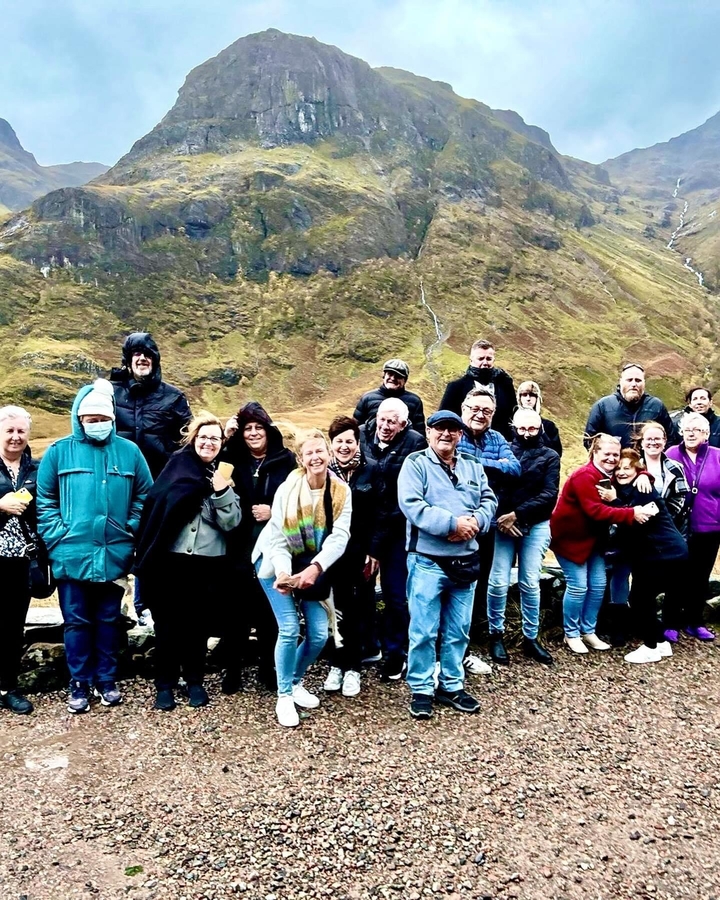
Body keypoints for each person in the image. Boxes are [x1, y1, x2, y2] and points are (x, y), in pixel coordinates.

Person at [37, 379, 152, 713]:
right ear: (79, 418)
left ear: (112, 419)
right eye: (90, 418)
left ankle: (106, 679)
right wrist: (58, 535)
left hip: (114, 553)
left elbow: (145, 494)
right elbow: (45, 499)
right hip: (71, 554)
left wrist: (129, 528)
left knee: (107, 619)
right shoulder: (59, 452)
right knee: (76, 621)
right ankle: (79, 682)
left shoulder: (129, 453)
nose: (97, 424)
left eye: (103, 419)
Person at [134, 412, 241, 710]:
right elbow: (157, 510)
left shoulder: (225, 476)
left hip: (208, 566)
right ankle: (164, 684)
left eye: (215, 439)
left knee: (198, 627)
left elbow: (232, 522)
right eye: (203, 437)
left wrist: (221, 491)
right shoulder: (176, 469)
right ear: (194, 439)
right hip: (172, 563)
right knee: (168, 627)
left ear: (222, 444)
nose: (208, 443)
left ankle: (194, 680)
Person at [397, 410, 497, 720]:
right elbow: (412, 505)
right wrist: (453, 524)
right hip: (427, 561)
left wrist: (476, 523)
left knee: (459, 631)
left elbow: (489, 500)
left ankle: (452, 685)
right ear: (428, 433)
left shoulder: (473, 465)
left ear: (460, 435)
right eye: (440, 429)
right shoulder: (415, 464)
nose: (446, 434)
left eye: (453, 429)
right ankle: (422, 688)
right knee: (424, 631)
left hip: (465, 560)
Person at [252, 429, 352, 727]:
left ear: (329, 454)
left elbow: (339, 537)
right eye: (309, 452)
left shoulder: (341, 492)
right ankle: (284, 696)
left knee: (319, 633)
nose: (315, 457)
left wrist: (315, 569)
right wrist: (283, 573)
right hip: (273, 562)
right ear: (301, 458)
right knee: (289, 627)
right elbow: (279, 539)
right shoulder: (288, 489)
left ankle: (295, 681)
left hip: (312, 565)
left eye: (320, 451)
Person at [110, 332, 192, 622]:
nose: (142, 359)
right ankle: (116, 608)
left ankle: (146, 607)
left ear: (155, 361)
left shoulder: (172, 397)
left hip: (160, 485)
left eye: (148, 355)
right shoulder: (109, 392)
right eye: (136, 355)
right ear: (128, 361)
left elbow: (189, 439)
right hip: (116, 484)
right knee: (116, 540)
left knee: (153, 544)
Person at [550, 433, 656, 654]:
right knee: (578, 586)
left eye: (615, 455)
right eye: (606, 454)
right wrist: (632, 513)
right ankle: (571, 633)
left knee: (598, 586)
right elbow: (595, 511)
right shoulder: (585, 476)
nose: (611, 459)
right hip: (569, 540)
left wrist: (644, 473)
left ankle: (588, 630)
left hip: (593, 542)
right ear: (594, 452)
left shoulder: (609, 475)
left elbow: (631, 470)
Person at [220, 402, 296, 693]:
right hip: (237, 548)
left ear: (268, 429)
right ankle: (233, 672)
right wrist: (227, 436)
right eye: (248, 429)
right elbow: (216, 474)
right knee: (235, 614)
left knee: (270, 612)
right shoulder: (233, 458)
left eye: (258, 428)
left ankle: (268, 668)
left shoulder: (286, 460)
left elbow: (295, 501)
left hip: (273, 548)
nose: (253, 434)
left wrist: (273, 511)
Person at [486, 409, 560, 665]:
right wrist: (501, 518)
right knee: (497, 582)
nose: (527, 434)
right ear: (513, 427)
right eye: (522, 429)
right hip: (503, 524)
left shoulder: (550, 455)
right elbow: (492, 488)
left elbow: (550, 493)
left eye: (532, 429)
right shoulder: (503, 451)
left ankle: (531, 637)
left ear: (540, 427)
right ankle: (495, 634)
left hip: (535, 522)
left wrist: (517, 514)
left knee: (530, 582)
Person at [360, 398, 426, 680]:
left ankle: (395, 653)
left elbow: (407, 498)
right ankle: (366, 644)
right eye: (382, 420)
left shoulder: (416, 444)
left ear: (404, 424)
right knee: (359, 590)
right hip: (362, 528)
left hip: (398, 531)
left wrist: (377, 545)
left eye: (393, 423)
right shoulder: (361, 433)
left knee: (396, 595)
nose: (385, 427)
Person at [599, 449, 684, 664]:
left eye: (627, 468)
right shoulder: (626, 487)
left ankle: (650, 647)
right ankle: (660, 641)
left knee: (639, 599)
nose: (621, 472)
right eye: (618, 468)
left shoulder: (642, 488)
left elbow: (638, 519)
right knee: (643, 598)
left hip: (664, 553)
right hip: (655, 553)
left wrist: (615, 500)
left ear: (638, 470)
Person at [323, 416, 384, 698]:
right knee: (334, 609)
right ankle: (337, 663)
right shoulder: (323, 473)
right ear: (331, 444)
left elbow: (382, 513)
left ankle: (354, 668)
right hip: (331, 552)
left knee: (360, 608)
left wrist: (374, 551)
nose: (344, 446)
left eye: (349, 441)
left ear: (357, 443)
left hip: (361, 553)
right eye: (339, 441)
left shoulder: (372, 470)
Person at [458, 387, 520, 664]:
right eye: (474, 408)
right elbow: (453, 463)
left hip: (487, 523)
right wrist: (494, 464)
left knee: (480, 582)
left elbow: (514, 468)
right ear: (464, 408)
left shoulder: (497, 438)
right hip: (457, 524)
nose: (479, 415)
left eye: (486, 411)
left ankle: (468, 642)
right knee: (455, 583)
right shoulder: (453, 433)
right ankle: (450, 646)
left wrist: (478, 464)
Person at [665, 412, 720, 642]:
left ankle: (694, 622)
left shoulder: (718, 456)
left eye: (696, 429)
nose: (690, 433)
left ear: (706, 434)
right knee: (676, 575)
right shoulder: (670, 453)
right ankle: (670, 622)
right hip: (677, 527)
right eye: (686, 429)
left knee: (700, 576)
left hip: (710, 526)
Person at [0, 406, 38, 715]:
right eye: (9, 431)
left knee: (13, 627)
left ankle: (8, 687)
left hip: (21, 561)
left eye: (20, 431)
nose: (15, 437)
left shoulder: (36, 469)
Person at [584, 363, 676, 448]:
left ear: (644, 383)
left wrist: (655, 458)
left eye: (638, 380)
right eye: (629, 380)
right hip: (615, 464)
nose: (633, 384)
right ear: (621, 382)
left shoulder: (656, 406)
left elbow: (670, 438)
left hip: (647, 464)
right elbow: (589, 440)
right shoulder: (603, 406)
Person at [440, 339, 515, 438]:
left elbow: (514, 416)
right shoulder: (456, 387)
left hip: (499, 444)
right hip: (463, 443)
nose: (485, 363)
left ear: (494, 360)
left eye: (489, 359)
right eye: (480, 359)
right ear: (471, 359)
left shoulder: (505, 385)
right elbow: (444, 418)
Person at [353, 359, 426, 433]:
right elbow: (354, 429)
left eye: (398, 376)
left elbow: (419, 432)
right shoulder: (368, 398)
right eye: (390, 374)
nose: (393, 378)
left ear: (405, 380)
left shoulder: (414, 401)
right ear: (384, 375)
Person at [515, 380, 562, 456]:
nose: (528, 398)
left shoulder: (549, 426)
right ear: (519, 398)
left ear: (537, 398)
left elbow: (557, 453)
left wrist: (542, 433)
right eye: (524, 394)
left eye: (532, 395)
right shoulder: (512, 425)